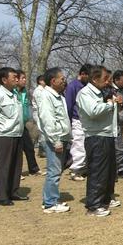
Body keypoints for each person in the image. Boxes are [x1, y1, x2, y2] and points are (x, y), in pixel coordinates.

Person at [77, 66, 122, 217]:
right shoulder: (85, 93)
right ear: (95, 79)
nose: (108, 81)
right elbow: (93, 111)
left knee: (109, 172)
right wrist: (110, 104)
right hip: (96, 136)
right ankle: (93, 205)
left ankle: (105, 199)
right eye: (105, 79)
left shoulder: (104, 92)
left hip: (108, 134)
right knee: (98, 171)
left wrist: (118, 103)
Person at [0, 68, 25, 206]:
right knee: (4, 166)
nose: (16, 79)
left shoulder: (15, 94)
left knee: (16, 165)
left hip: (17, 134)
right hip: (4, 135)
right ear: (4, 80)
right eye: (14, 77)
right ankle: (2, 196)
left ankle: (13, 191)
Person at [38, 67, 72, 214]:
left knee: (57, 170)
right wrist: (55, 140)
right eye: (62, 79)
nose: (64, 81)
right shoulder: (46, 96)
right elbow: (48, 120)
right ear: (53, 81)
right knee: (54, 170)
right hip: (54, 139)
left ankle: (51, 198)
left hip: (62, 138)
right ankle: (50, 203)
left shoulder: (59, 96)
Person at [66, 64, 93, 181]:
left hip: (87, 120)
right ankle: (75, 170)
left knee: (86, 145)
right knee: (79, 145)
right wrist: (69, 121)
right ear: (82, 74)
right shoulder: (73, 86)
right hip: (77, 119)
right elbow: (69, 105)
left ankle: (83, 168)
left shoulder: (88, 86)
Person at [15, 70, 43, 176]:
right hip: (14, 126)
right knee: (17, 151)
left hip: (24, 124)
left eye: (25, 78)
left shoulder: (25, 92)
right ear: (16, 79)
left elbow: (26, 107)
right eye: (22, 78)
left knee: (30, 147)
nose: (25, 80)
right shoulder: (13, 92)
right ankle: (17, 173)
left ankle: (34, 169)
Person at [111, 70, 123, 178]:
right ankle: (120, 169)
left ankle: (121, 167)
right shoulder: (111, 91)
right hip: (114, 123)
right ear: (116, 80)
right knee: (119, 147)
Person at [32, 75, 46, 158]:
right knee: (42, 131)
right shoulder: (38, 91)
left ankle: (42, 149)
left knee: (43, 131)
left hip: (42, 112)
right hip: (38, 113)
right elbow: (40, 104)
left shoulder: (43, 90)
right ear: (40, 81)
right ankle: (42, 150)